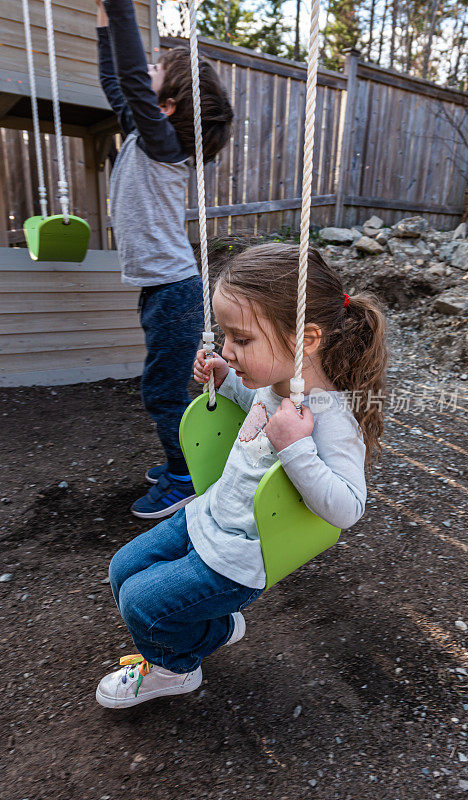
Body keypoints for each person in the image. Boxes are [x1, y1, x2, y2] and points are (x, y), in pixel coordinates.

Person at [95, 243, 388, 708]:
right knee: (122, 571)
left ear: (306, 341)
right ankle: (216, 625)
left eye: (241, 340)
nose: (227, 350)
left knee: (142, 605)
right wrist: (223, 378)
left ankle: (175, 669)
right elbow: (253, 405)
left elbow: (348, 508)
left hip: (240, 557)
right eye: (224, 338)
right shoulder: (275, 382)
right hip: (209, 515)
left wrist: (296, 448)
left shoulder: (330, 416)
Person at [95, 0, 234, 519]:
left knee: (163, 393)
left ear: (168, 107)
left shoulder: (161, 145)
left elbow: (130, 80)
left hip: (175, 290)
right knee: (165, 390)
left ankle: (183, 479)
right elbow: (118, 83)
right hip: (162, 290)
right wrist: (106, 22)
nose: (145, 70)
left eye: (155, 71)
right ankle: (185, 463)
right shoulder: (144, 135)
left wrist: (120, 8)